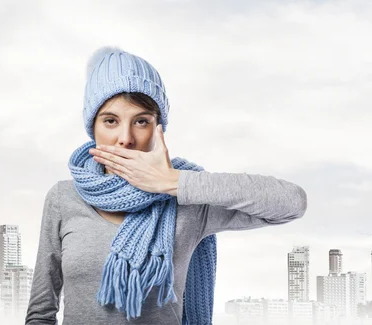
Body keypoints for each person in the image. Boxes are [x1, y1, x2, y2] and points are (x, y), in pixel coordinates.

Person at [25, 46, 307, 325]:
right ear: (93, 127)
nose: (125, 138)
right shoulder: (64, 198)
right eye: (110, 121)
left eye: (141, 121)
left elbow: (291, 203)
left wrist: (170, 181)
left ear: (159, 128)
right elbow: (40, 313)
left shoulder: (186, 200)